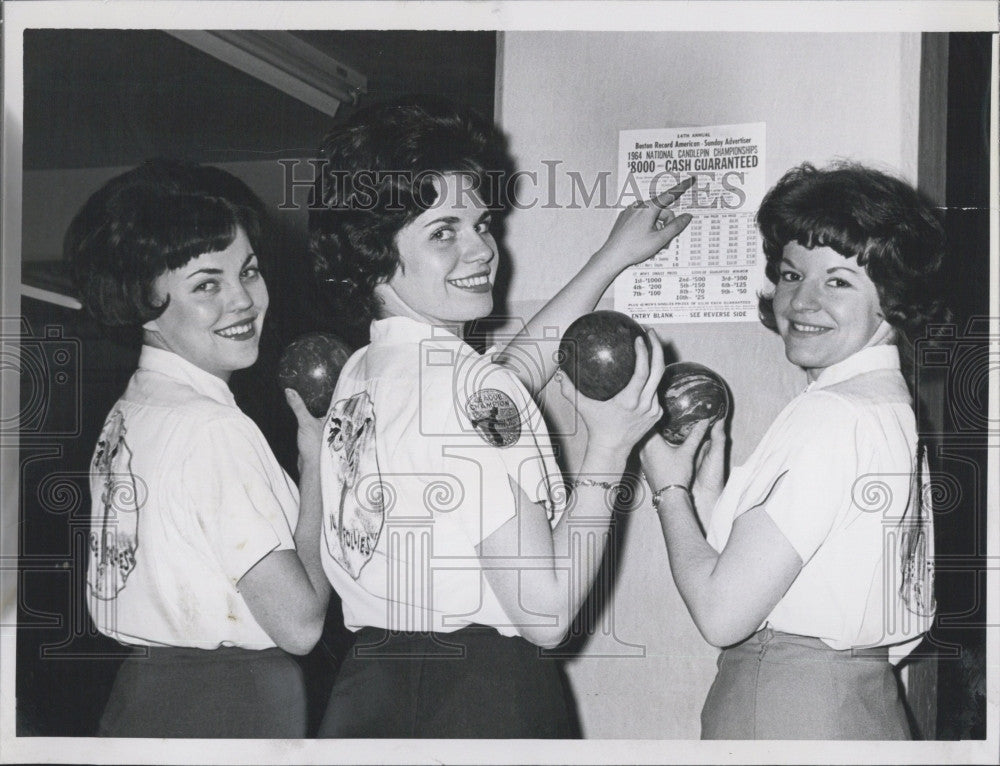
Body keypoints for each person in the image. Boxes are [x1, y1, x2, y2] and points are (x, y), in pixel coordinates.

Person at [308, 97, 692, 737]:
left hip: (366, 691)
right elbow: (546, 614)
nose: (481, 249)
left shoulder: (363, 372)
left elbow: (508, 379)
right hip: (478, 695)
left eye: (481, 224)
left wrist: (613, 256)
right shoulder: (464, 386)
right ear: (375, 253)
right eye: (443, 232)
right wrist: (608, 451)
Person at [640, 161, 947, 739]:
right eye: (789, 274)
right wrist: (709, 488)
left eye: (837, 280)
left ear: (894, 296)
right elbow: (777, 569)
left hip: (788, 702)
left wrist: (668, 488)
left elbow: (720, 613)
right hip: (862, 701)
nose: (800, 301)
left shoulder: (833, 415)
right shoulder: (887, 407)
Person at [65, 158, 330, 737]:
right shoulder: (213, 429)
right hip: (226, 704)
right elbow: (301, 623)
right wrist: (318, 465)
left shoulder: (131, 411)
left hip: (142, 697)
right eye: (207, 283)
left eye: (250, 272)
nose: (243, 300)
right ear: (144, 301)